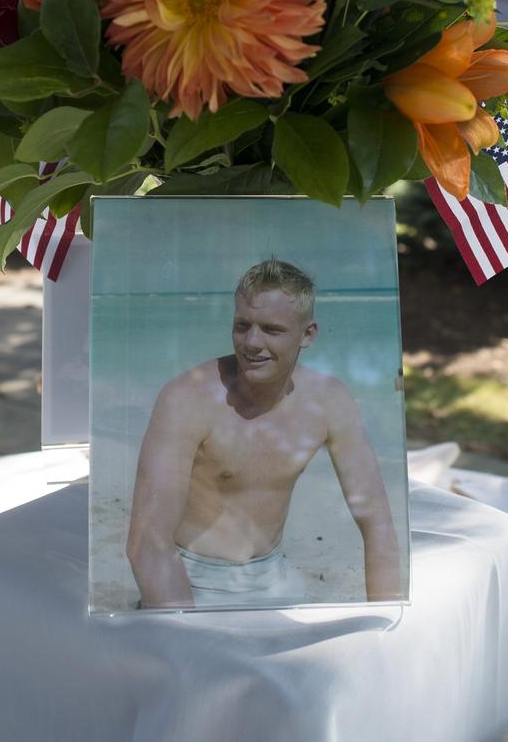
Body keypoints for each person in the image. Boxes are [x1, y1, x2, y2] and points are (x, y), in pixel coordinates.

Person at [126, 259, 401, 609]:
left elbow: (377, 522)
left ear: (308, 334)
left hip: (274, 578)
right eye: (243, 326)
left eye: (271, 330)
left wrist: (385, 620)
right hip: (191, 581)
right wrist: (183, 634)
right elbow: (148, 542)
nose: (252, 343)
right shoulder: (186, 399)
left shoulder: (330, 401)